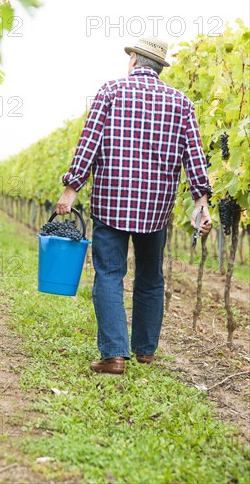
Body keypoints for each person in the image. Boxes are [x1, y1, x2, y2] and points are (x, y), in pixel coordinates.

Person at [56, 35, 212, 375]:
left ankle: (113, 355)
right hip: (156, 209)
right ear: (159, 68)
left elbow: (89, 145)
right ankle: (145, 352)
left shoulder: (111, 92)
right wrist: (202, 201)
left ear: (134, 62)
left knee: (110, 274)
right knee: (151, 279)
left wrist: (71, 189)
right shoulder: (181, 102)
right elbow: (195, 157)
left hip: (112, 202)